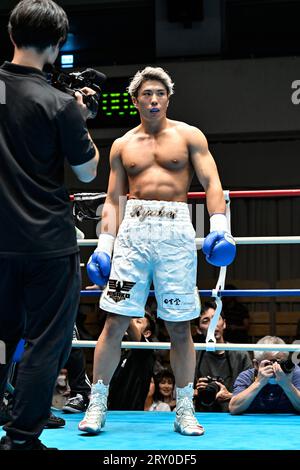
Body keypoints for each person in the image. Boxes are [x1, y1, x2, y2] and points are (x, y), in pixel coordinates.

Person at [80, 66, 236, 436]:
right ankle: (97, 405)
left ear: (168, 98)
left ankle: (184, 409)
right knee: (115, 320)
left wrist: (219, 228)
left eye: (160, 94)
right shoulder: (122, 145)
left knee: (180, 326)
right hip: (133, 233)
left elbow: (212, 181)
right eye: (146, 94)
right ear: (135, 100)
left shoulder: (189, 136)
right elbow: (115, 200)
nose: (153, 100)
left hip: (177, 230)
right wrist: (105, 244)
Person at [0, 0, 99, 450]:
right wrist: (80, 121)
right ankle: (22, 438)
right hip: (45, 243)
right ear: (58, 44)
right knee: (43, 341)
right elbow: (86, 172)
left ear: (11, 33)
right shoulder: (59, 103)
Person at [195, 301, 252, 412]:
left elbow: (252, 392)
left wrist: (230, 395)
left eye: (216, 318)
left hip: (235, 414)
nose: (213, 324)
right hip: (202, 415)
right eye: (206, 321)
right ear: (198, 329)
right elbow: (180, 392)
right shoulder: (194, 355)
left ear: (224, 324)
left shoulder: (240, 354)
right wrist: (195, 391)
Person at [229, 336, 300, 414]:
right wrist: (258, 383)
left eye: (281, 363)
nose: (277, 367)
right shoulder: (247, 376)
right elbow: (234, 408)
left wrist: (287, 384)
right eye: (271, 362)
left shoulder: (294, 372)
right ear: (256, 364)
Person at [108, 312, 156, 410]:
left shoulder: (146, 350)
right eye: (132, 319)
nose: (133, 322)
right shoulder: (123, 352)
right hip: (112, 412)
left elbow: (130, 326)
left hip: (132, 414)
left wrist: (125, 308)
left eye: (138, 321)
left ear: (147, 333)